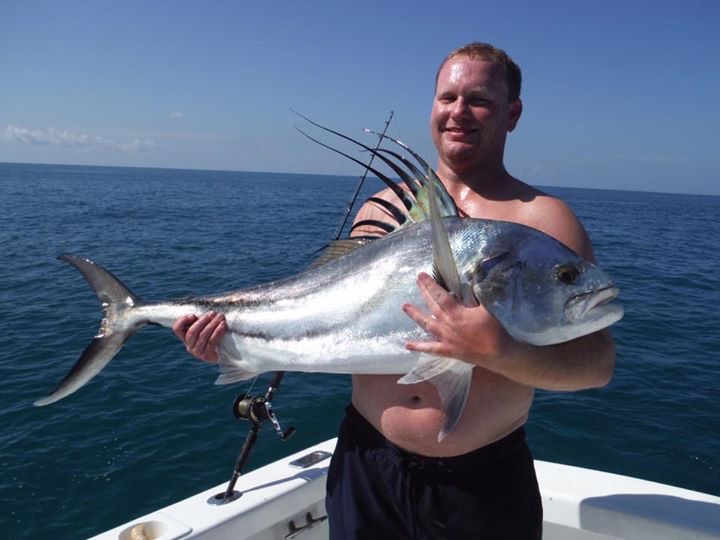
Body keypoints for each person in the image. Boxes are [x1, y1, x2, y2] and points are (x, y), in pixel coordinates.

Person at [173, 42, 616, 539]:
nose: (459, 112)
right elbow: (328, 314)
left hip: (483, 483)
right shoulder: (384, 210)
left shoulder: (544, 220)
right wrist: (234, 344)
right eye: (447, 97)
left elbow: (596, 365)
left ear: (512, 113)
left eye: (480, 100)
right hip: (366, 465)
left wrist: (500, 351)